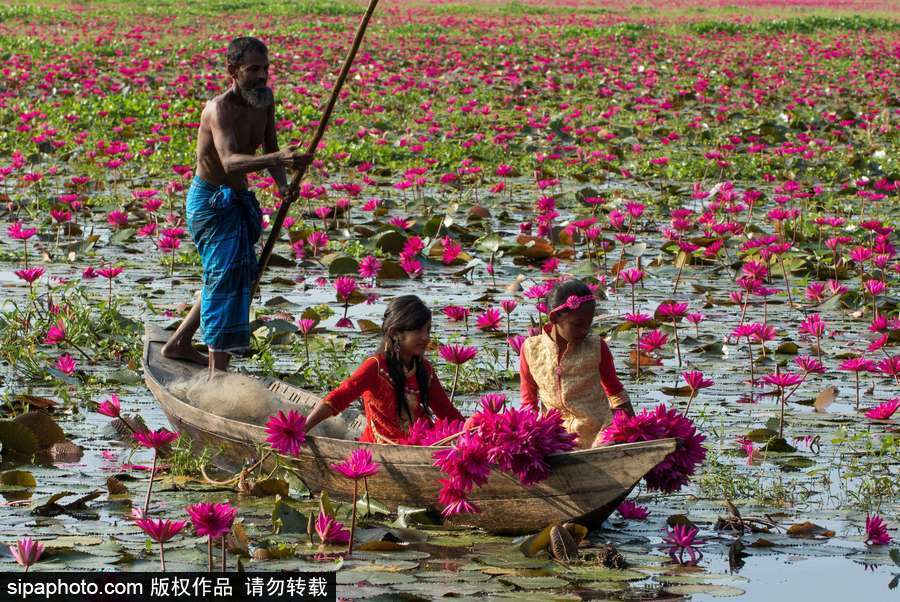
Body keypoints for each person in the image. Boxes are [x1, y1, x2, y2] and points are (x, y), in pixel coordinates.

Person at [161, 36, 313, 375]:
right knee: (224, 276)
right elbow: (229, 162)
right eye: (253, 70)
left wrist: (283, 183)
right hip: (211, 203)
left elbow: (270, 146)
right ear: (233, 71)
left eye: (266, 69)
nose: (262, 77)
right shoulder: (218, 110)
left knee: (233, 275)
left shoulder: (265, 100)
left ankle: (180, 343)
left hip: (238, 199)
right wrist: (278, 158)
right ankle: (218, 374)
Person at [303, 295, 465, 443]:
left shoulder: (425, 369)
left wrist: (474, 432)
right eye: (418, 331)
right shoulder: (376, 366)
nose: (425, 337)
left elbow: (446, 412)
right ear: (395, 333)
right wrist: (302, 429)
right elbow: (339, 397)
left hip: (422, 443)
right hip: (381, 446)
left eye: (427, 330)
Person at [519, 279, 634, 448]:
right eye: (577, 324)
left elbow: (615, 392)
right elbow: (528, 403)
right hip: (554, 436)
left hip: (600, 430)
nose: (585, 330)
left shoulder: (596, 346)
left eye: (589, 323)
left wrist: (636, 430)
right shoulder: (530, 349)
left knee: (603, 448)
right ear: (554, 318)